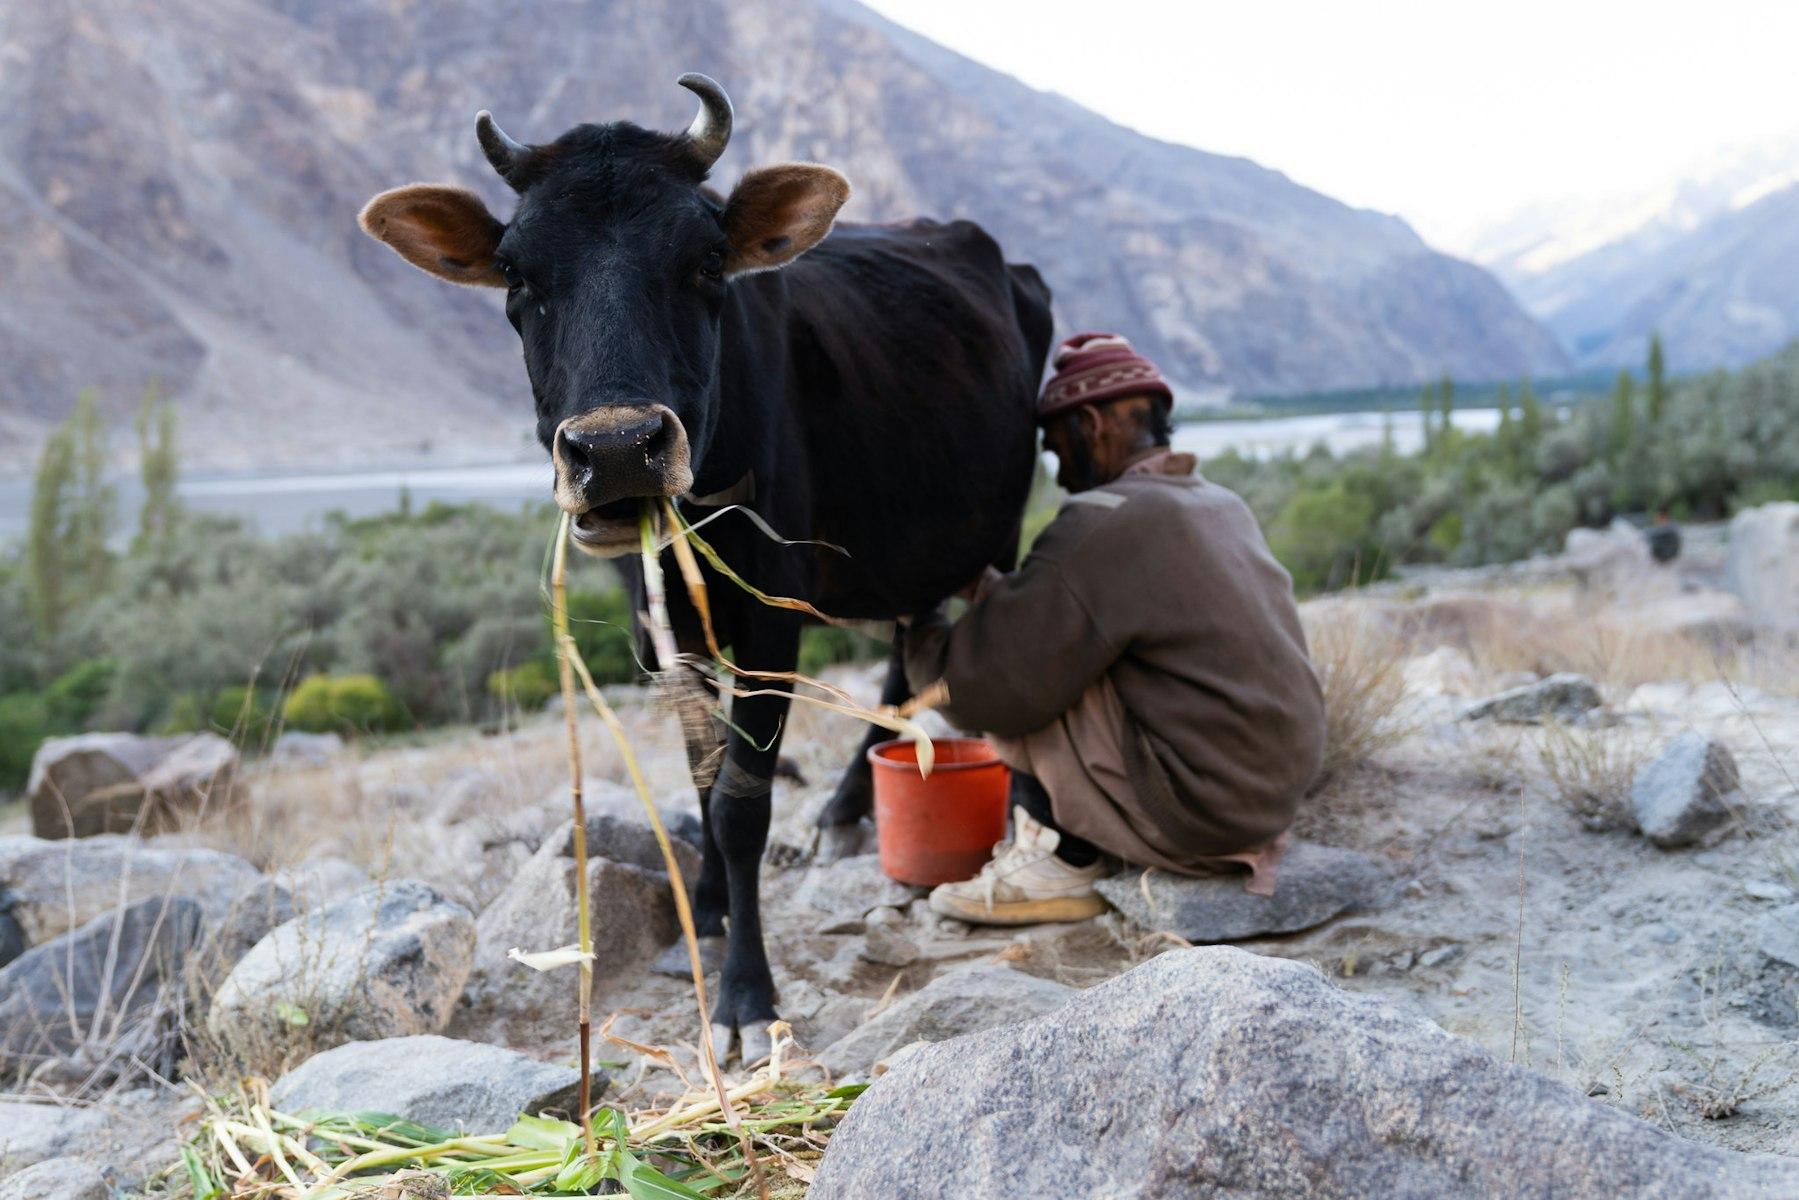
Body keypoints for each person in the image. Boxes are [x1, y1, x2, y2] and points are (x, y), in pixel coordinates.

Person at [902, 331, 1326, 925]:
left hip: (1198, 817)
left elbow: (983, 686)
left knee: (1032, 667)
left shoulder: (1100, 522)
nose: (1059, 467)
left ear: (1093, 426)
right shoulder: (1216, 502)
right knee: (1052, 630)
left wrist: (918, 619)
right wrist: (985, 587)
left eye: (1056, 447)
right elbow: (1082, 597)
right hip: (1268, 800)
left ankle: (1061, 859)